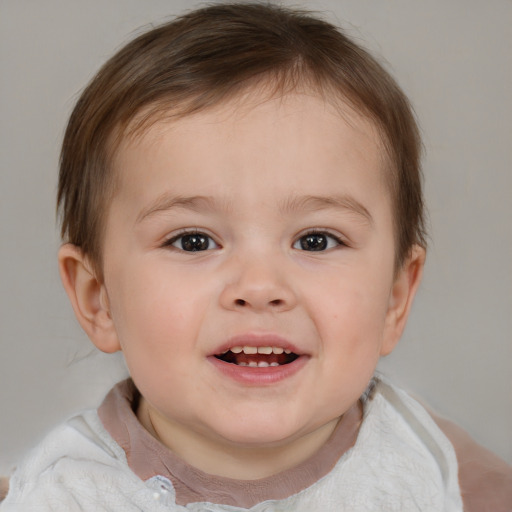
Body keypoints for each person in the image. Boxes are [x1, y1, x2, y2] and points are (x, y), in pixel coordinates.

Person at [1, 3, 510, 511]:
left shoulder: (444, 474)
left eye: (316, 240)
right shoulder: (58, 495)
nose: (260, 286)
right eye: (193, 241)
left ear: (395, 299)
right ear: (99, 299)